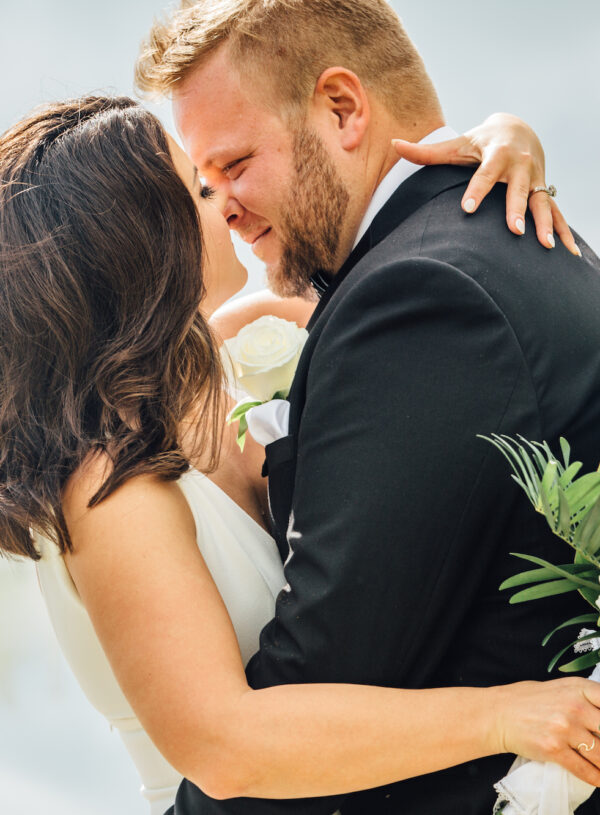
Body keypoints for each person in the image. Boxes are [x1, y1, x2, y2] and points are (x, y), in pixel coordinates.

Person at [1, 95, 599, 815]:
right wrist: (506, 715)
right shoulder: (108, 486)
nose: (225, 203)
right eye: (197, 187)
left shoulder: (229, 353)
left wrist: (502, 136)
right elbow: (228, 745)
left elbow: (418, 326)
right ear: (135, 241)